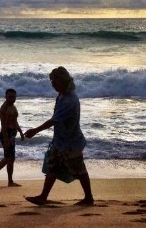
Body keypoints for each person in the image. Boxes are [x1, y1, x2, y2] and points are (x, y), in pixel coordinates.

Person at [24, 66, 94, 206]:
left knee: (79, 170)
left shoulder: (69, 100)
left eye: (54, 82)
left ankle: (89, 198)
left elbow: (54, 120)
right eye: (52, 82)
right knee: (52, 167)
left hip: (71, 143)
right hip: (61, 141)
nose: (53, 85)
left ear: (62, 81)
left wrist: (35, 131)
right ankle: (43, 197)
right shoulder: (62, 95)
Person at [0, 88, 24, 187]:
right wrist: (6, 139)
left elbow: (14, 121)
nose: (12, 99)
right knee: (10, 158)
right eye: (9, 97)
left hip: (12, 134)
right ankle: (10, 181)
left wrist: (21, 132)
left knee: (9, 158)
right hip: (6, 134)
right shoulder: (4, 108)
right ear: (6, 97)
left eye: (13, 97)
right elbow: (3, 125)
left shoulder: (13, 106)